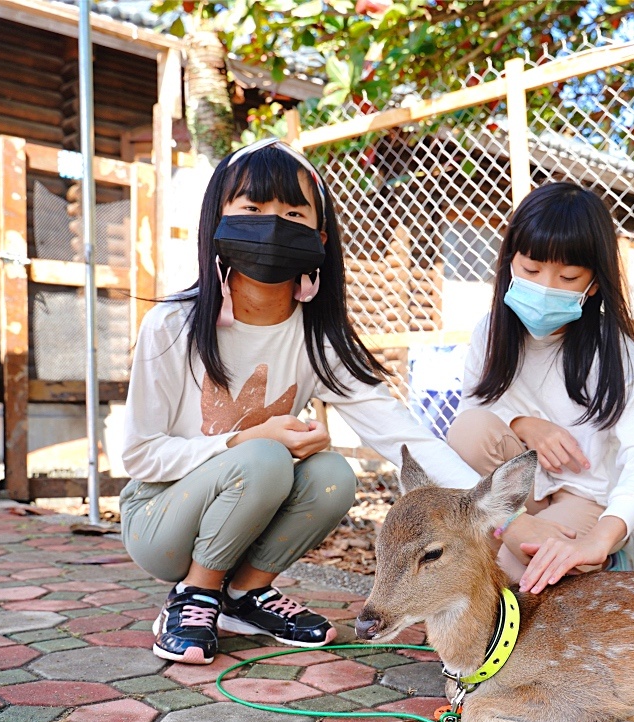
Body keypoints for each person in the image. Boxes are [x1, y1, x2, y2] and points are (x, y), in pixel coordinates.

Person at [120, 138, 479, 664]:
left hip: (244, 514)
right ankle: (194, 595)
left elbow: (401, 433)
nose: (272, 225)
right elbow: (139, 456)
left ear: (320, 236)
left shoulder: (317, 339)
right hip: (159, 519)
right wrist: (246, 439)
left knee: (333, 473)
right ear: (217, 222)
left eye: (293, 212)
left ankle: (244, 596)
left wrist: (496, 514)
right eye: (252, 209)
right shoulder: (173, 325)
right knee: (264, 458)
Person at [448, 181, 634, 595]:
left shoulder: (615, 351)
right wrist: (523, 424)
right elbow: (472, 419)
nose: (546, 287)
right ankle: (520, 539)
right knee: (468, 428)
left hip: (584, 496)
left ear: (593, 285)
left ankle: (595, 557)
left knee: (509, 577)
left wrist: (602, 536)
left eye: (568, 276)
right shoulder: (491, 332)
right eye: (531, 270)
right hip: (516, 492)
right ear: (509, 264)